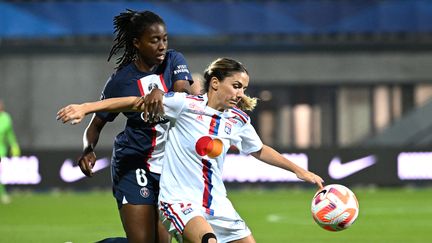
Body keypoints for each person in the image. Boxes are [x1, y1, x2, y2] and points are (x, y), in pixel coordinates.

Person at [57, 57, 324, 243]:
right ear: (216, 83)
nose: (241, 93)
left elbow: (259, 149)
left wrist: (300, 171)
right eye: (236, 86)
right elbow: (133, 102)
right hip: (180, 201)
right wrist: (85, 107)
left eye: (244, 88)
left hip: (218, 205)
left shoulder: (238, 120)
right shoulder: (185, 105)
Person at [76, 9, 192, 243]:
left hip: (169, 167)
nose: (162, 45)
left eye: (164, 39)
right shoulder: (121, 81)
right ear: (137, 43)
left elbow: (183, 95)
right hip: (134, 162)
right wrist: (88, 150)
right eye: (154, 40)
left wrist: (159, 91)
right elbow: (96, 124)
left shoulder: (173, 60)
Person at [0, 99, 21, 204]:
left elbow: (9, 134)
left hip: (1, 149)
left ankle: (2, 193)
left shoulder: (6, 118)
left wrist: (14, 145)